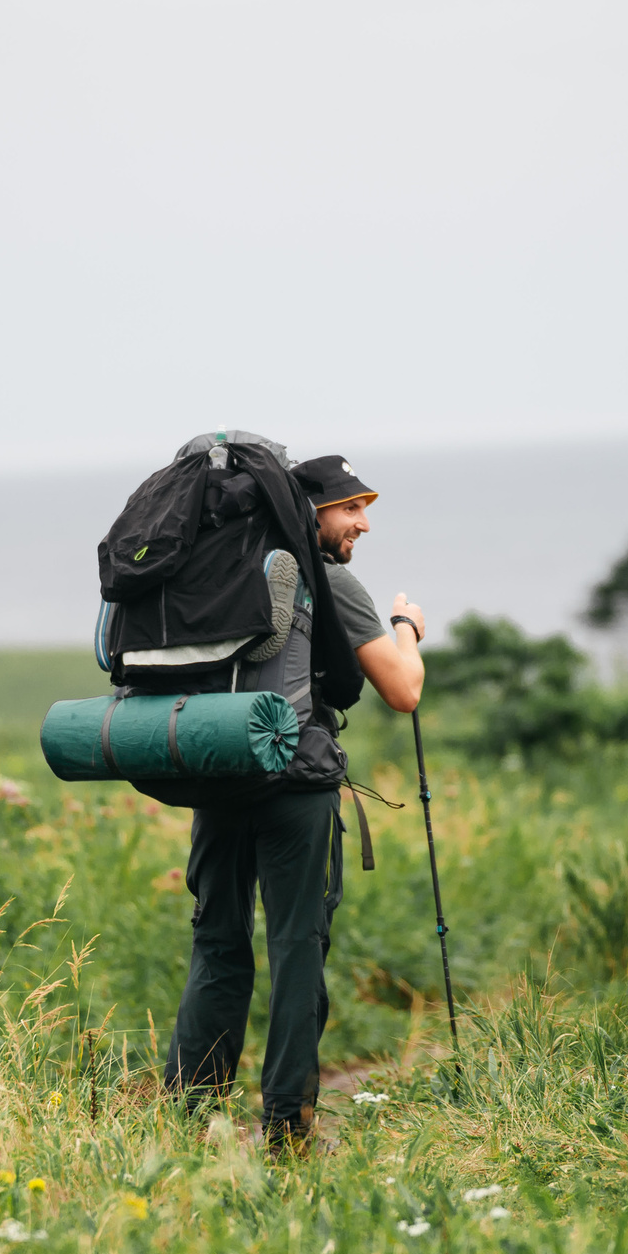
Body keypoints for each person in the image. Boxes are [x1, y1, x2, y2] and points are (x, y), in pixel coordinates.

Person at [166, 452, 425, 1151]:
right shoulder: (325, 580)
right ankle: (287, 1124)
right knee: (295, 947)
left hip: (219, 771)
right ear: (306, 511)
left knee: (217, 943)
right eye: (349, 508)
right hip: (296, 782)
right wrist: (408, 627)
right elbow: (403, 691)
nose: (363, 523)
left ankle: (189, 1118)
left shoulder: (219, 570)